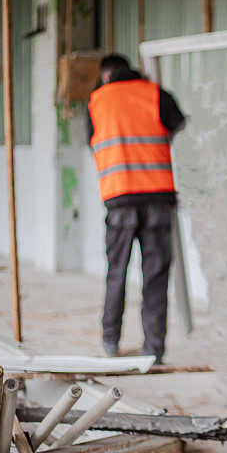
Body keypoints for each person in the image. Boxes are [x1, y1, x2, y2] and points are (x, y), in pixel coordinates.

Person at [87, 54, 185, 364]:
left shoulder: (96, 101)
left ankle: (110, 341)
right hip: (158, 197)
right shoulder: (157, 93)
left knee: (116, 272)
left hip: (119, 200)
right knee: (155, 277)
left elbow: (92, 141)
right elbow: (178, 125)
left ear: (107, 75)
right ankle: (154, 350)